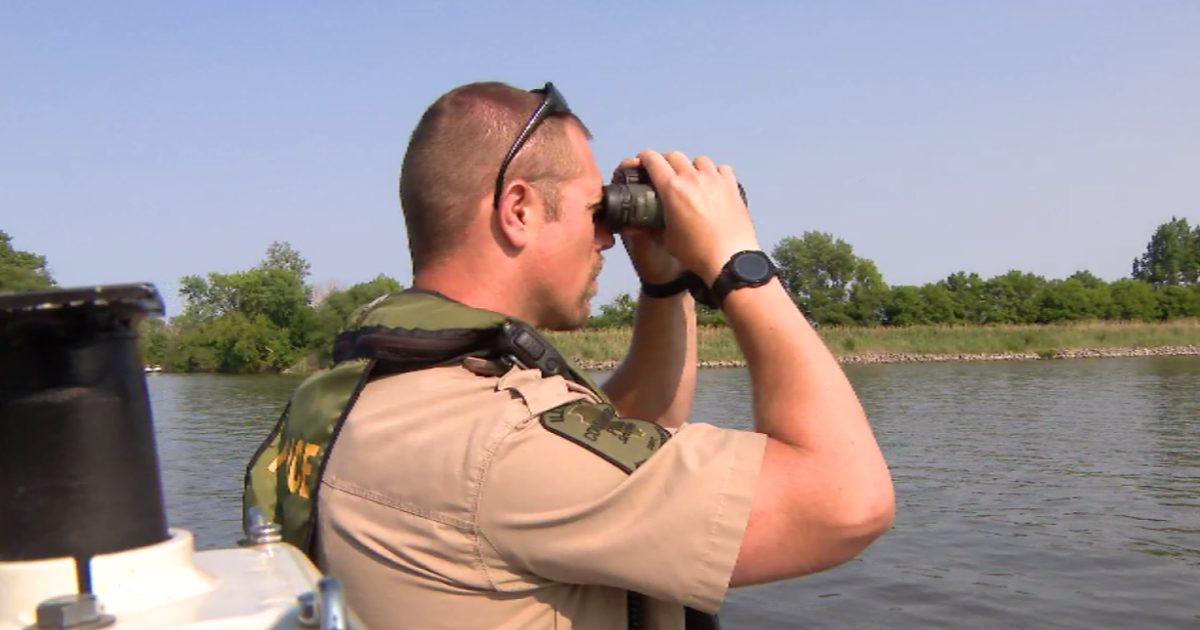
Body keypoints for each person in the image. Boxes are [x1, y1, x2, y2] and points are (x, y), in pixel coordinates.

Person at [272, 80, 894, 630]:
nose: (606, 238)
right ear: (518, 210)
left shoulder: (379, 385)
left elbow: (630, 431)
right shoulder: (498, 448)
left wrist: (666, 282)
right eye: (596, 212)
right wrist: (738, 264)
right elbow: (845, 504)